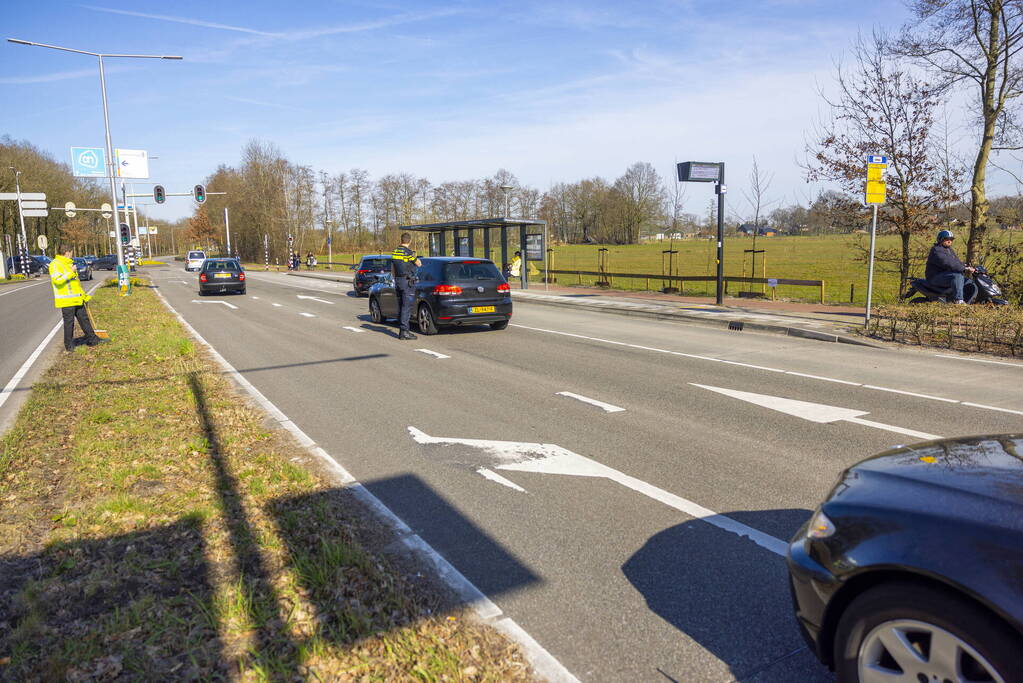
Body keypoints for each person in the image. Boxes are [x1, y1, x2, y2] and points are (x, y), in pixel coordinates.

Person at [49, 247, 106, 353]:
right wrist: (71, 272)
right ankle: (69, 346)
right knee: (69, 323)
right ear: (66, 252)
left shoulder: (68, 263)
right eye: (71, 253)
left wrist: (83, 296)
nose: (72, 255)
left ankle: (92, 339)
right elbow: (58, 281)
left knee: (84, 319)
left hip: (77, 298)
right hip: (66, 300)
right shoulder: (55, 264)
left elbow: (75, 284)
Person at [925, 229, 974, 304]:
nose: (949, 241)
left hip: (945, 275)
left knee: (969, 282)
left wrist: (966, 266)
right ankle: (958, 300)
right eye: (946, 239)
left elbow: (956, 262)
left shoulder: (949, 250)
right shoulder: (936, 250)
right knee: (957, 277)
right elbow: (948, 263)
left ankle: (971, 300)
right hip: (934, 277)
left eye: (951, 239)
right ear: (940, 239)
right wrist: (963, 268)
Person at [391, 232, 422, 340]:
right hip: (407, 281)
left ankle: (402, 330)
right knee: (406, 307)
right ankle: (404, 332)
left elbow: (393, 268)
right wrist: (415, 257)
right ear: (409, 241)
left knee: (401, 306)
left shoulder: (395, 251)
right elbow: (418, 263)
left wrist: (395, 279)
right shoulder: (409, 253)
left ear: (401, 240)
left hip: (398, 280)